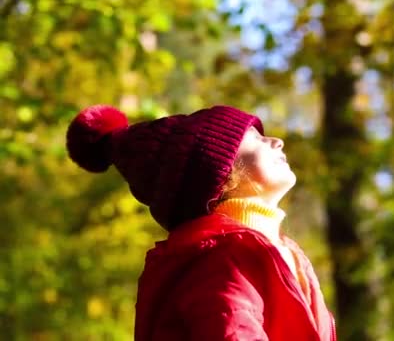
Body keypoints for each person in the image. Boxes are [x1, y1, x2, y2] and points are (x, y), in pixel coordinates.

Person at [66, 105, 336, 340]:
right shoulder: (221, 258)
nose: (277, 141)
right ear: (220, 170)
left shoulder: (283, 254)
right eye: (254, 139)